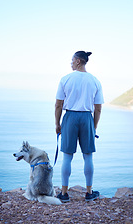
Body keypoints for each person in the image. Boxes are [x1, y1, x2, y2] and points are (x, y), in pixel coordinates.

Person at [55, 51, 104, 202]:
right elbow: (98, 108)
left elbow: (58, 105)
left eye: (71, 60)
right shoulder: (95, 80)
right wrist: (94, 126)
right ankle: (89, 193)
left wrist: (57, 123)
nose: (70, 63)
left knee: (67, 157)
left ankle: (64, 194)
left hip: (70, 117)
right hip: (86, 117)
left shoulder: (66, 79)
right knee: (88, 156)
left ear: (77, 61)